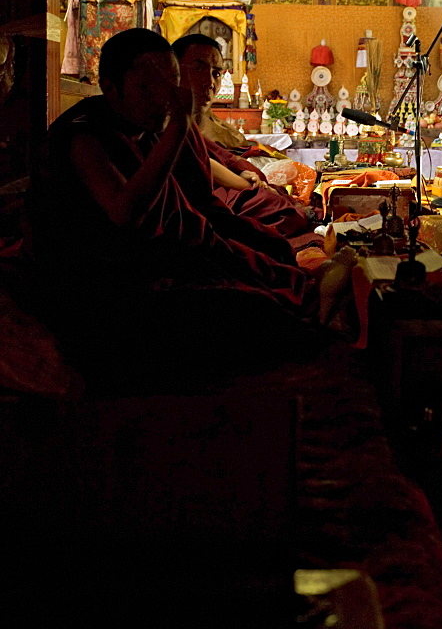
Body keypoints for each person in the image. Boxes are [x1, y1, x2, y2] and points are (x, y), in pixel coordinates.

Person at [33, 29, 317, 388]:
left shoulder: (145, 126)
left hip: (166, 261)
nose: (160, 101)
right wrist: (177, 129)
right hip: (111, 289)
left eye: (169, 87)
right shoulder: (84, 137)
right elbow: (123, 213)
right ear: (110, 87)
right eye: (145, 89)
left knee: (271, 272)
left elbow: (185, 212)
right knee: (258, 313)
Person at [172, 33, 311, 237]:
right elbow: (199, 163)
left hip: (213, 188)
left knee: (279, 201)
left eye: (217, 73)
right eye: (199, 67)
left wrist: (242, 173)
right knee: (282, 213)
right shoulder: (164, 115)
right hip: (188, 199)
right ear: (172, 69)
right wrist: (248, 184)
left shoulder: (187, 117)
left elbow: (210, 156)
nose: (210, 81)